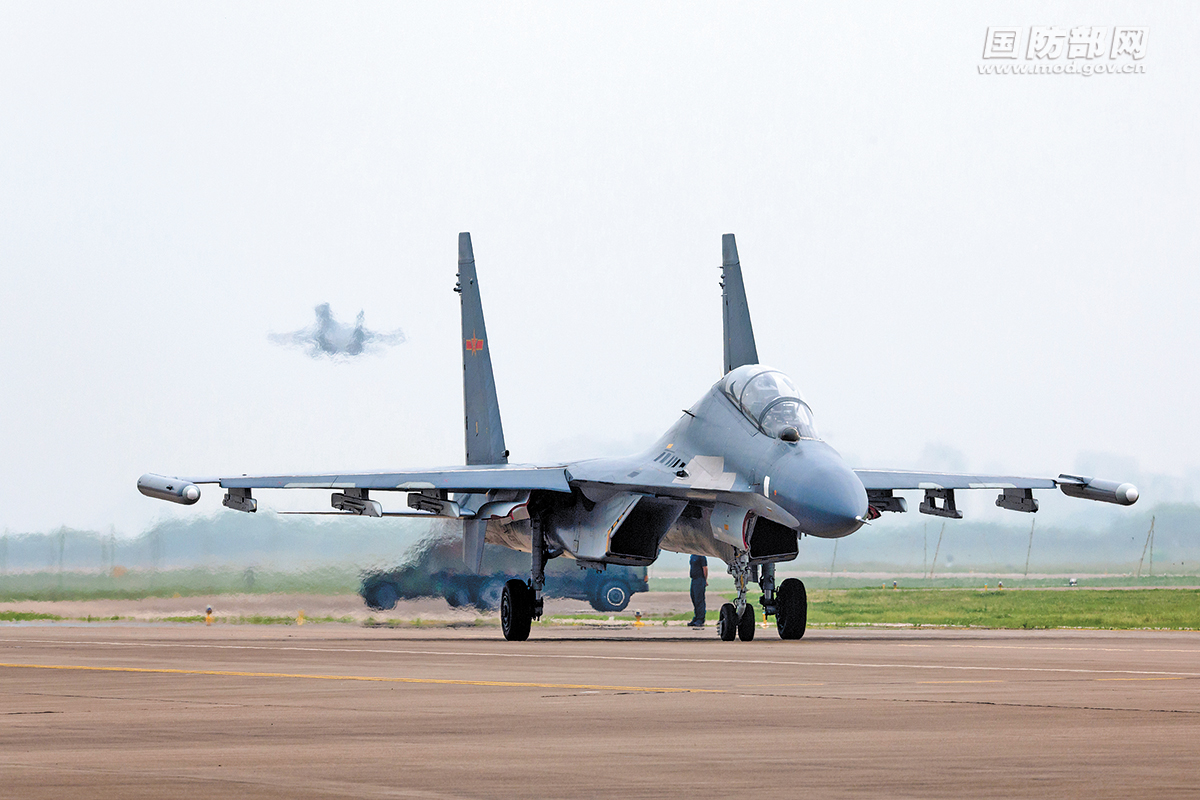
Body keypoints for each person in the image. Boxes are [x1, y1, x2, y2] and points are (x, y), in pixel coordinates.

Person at [688, 554, 708, 627]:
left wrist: (705, 580)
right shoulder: (692, 556)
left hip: (700, 579)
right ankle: (696, 617)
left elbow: (705, 568)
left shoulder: (701, 556)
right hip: (694, 579)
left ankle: (700, 619)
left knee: (699, 599)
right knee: (694, 598)